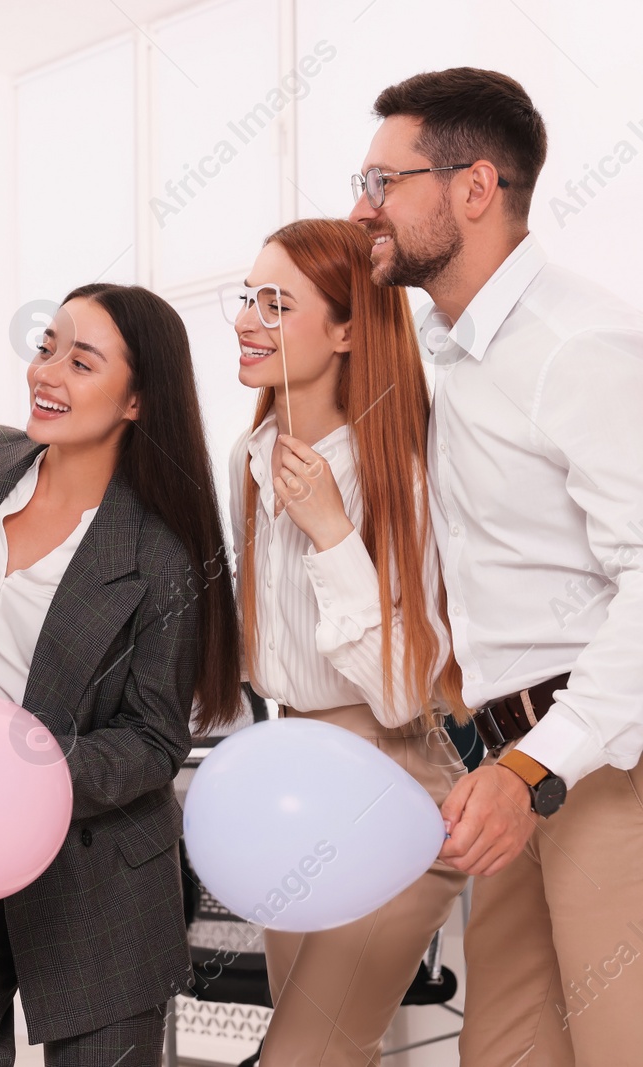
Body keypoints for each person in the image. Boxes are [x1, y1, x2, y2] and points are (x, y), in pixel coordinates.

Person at [349, 68, 643, 1066]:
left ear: (473, 189)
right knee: (505, 1053)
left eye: (383, 179)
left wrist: (533, 763)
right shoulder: (449, 349)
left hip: (604, 766)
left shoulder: (578, 343)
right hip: (507, 765)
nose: (362, 206)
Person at [0, 283, 241, 1066]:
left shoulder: (160, 554)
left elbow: (153, 739)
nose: (48, 372)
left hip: (98, 876)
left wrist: (26, 777)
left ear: (139, 398)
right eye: (48, 347)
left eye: (82, 361)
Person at [224, 217, 469, 1064]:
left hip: (394, 783)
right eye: (247, 296)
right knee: (326, 1054)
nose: (247, 319)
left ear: (348, 330)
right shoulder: (250, 459)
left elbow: (405, 693)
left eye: (277, 302)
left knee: (303, 1056)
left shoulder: (403, 467)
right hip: (289, 782)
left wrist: (332, 534)